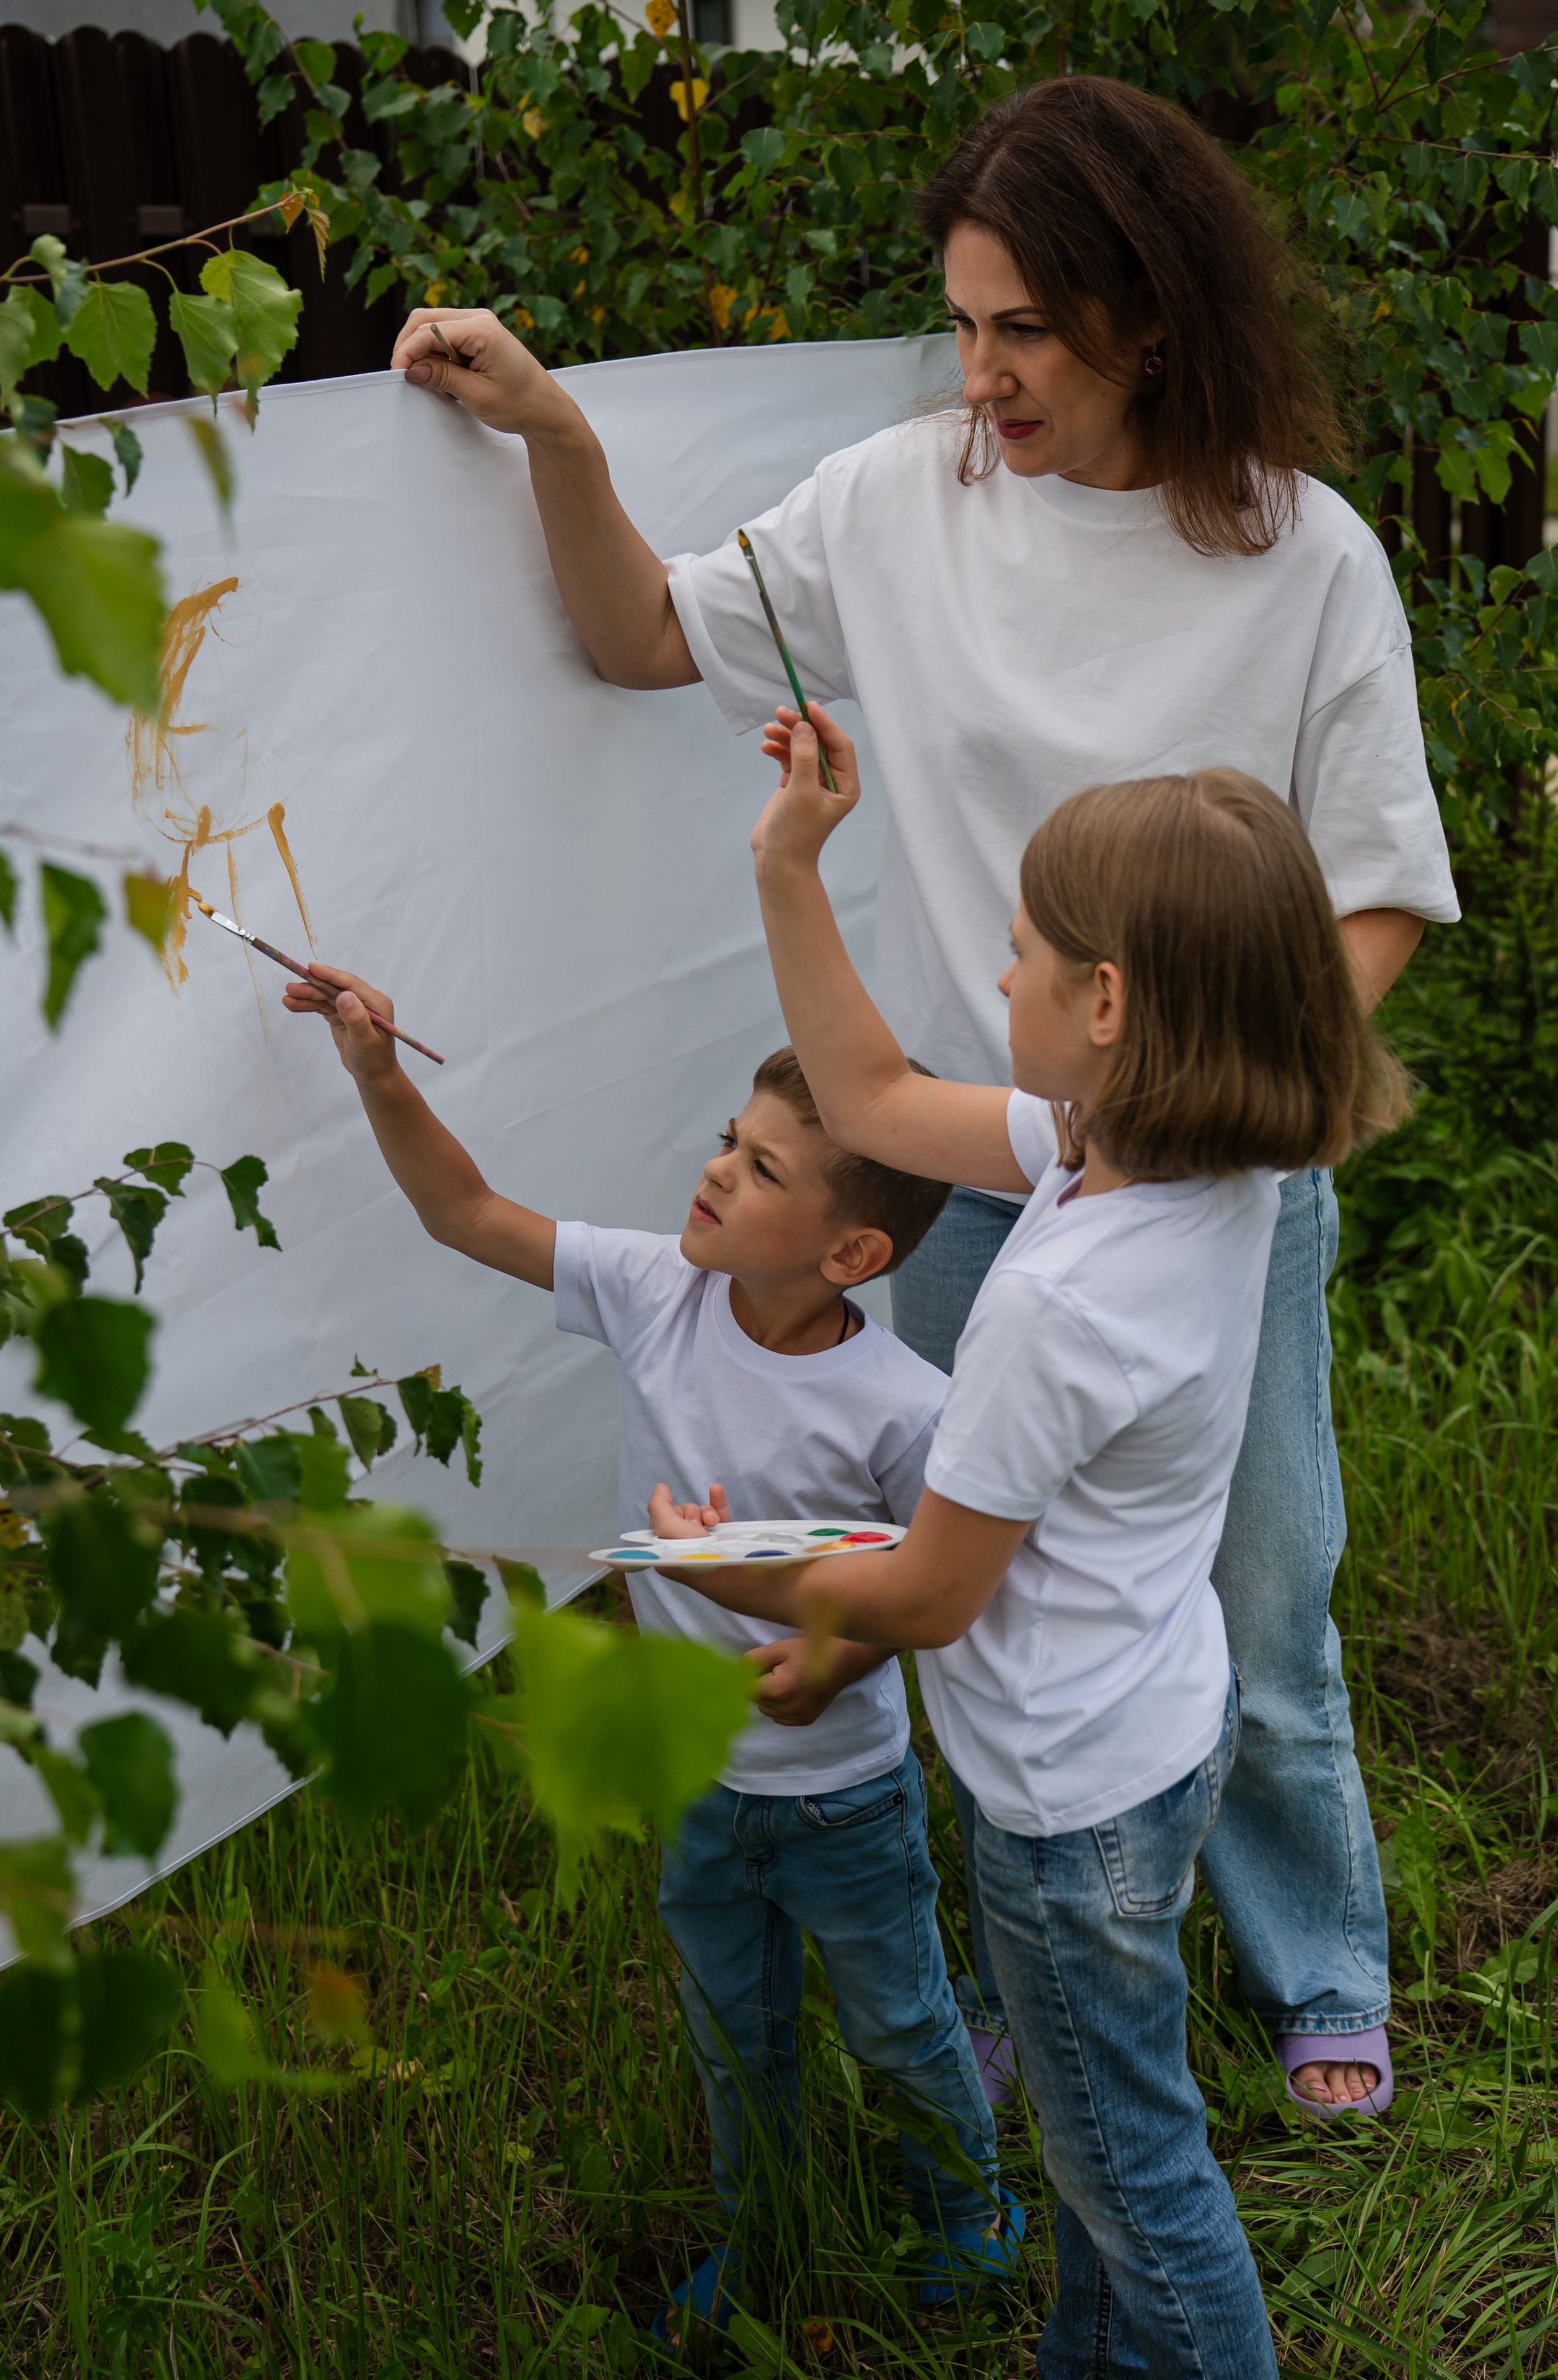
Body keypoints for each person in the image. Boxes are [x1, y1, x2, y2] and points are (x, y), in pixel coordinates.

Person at [389, 72, 1458, 2116]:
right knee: (977, 1608)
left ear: (1146, 311)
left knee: (1259, 1593)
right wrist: (562, 434)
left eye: (1025, 331)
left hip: (1218, 1179)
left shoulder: (1305, 557)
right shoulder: (897, 504)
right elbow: (634, 640)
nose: (983, 375)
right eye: (962, 327)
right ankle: (1036, 1970)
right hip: (977, 1170)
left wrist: (1235, 1108)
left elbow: (1381, 892)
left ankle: (1322, 1963)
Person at [659, 709, 1406, 2377]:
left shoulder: (1061, 1298)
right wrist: (791, 863)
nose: (999, 985)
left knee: (1135, 2177)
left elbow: (926, 1592)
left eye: (1018, 955)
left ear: (1110, 1004)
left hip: (1068, 1811)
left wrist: (725, 1566)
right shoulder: (1169, 1166)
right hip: (1153, 1727)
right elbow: (865, 1089)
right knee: (1094, 2154)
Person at [280, 972, 1013, 2335]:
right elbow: (468, 1213)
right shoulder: (655, 1290)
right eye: (726, 1140)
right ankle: (764, 2233)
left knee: (898, 2022)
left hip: (841, 1795)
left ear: (849, 1253)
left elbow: (930, 1595)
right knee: (734, 2039)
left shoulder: (906, 1409)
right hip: (690, 1779)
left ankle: (964, 2215)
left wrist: (832, 1670)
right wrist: (377, 1070)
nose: (716, 1169)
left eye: (760, 1165)